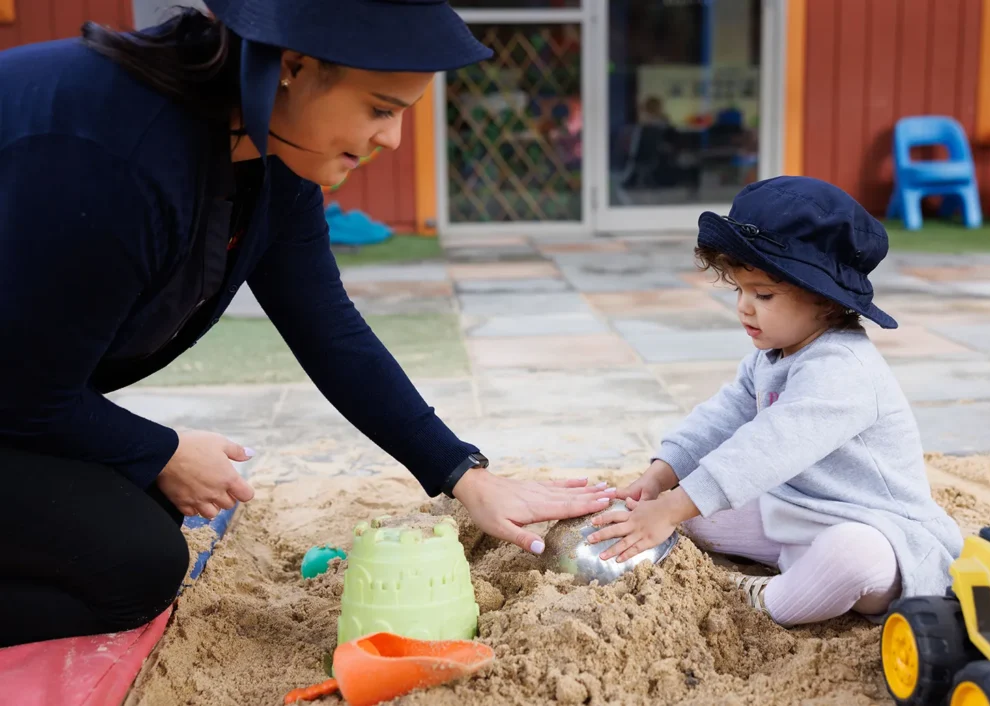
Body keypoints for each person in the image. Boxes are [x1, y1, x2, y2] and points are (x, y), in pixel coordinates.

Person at [0, 0, 615, 648]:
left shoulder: (267, 152)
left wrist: (465, 474)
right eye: (381, 108)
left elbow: (328, 326)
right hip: (16, 390)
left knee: (140, 507)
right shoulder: (111, 150)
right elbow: (21, 392)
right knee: (135, 566)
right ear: (292, 66)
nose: (392, 139)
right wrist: (164, 450)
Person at [588, 176, 963, 627]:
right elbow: (721, 418)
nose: (744, 308)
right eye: (740, 291)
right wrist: (660, 477)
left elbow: (768, 446)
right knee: (695, 513)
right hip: (798, 513)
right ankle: (788, 566)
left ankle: (766, 597)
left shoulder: (844, 370)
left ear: (826, 301)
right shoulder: (772, 356)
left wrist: (671, 507)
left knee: (849, 557)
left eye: (763, 295)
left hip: (880, 532)